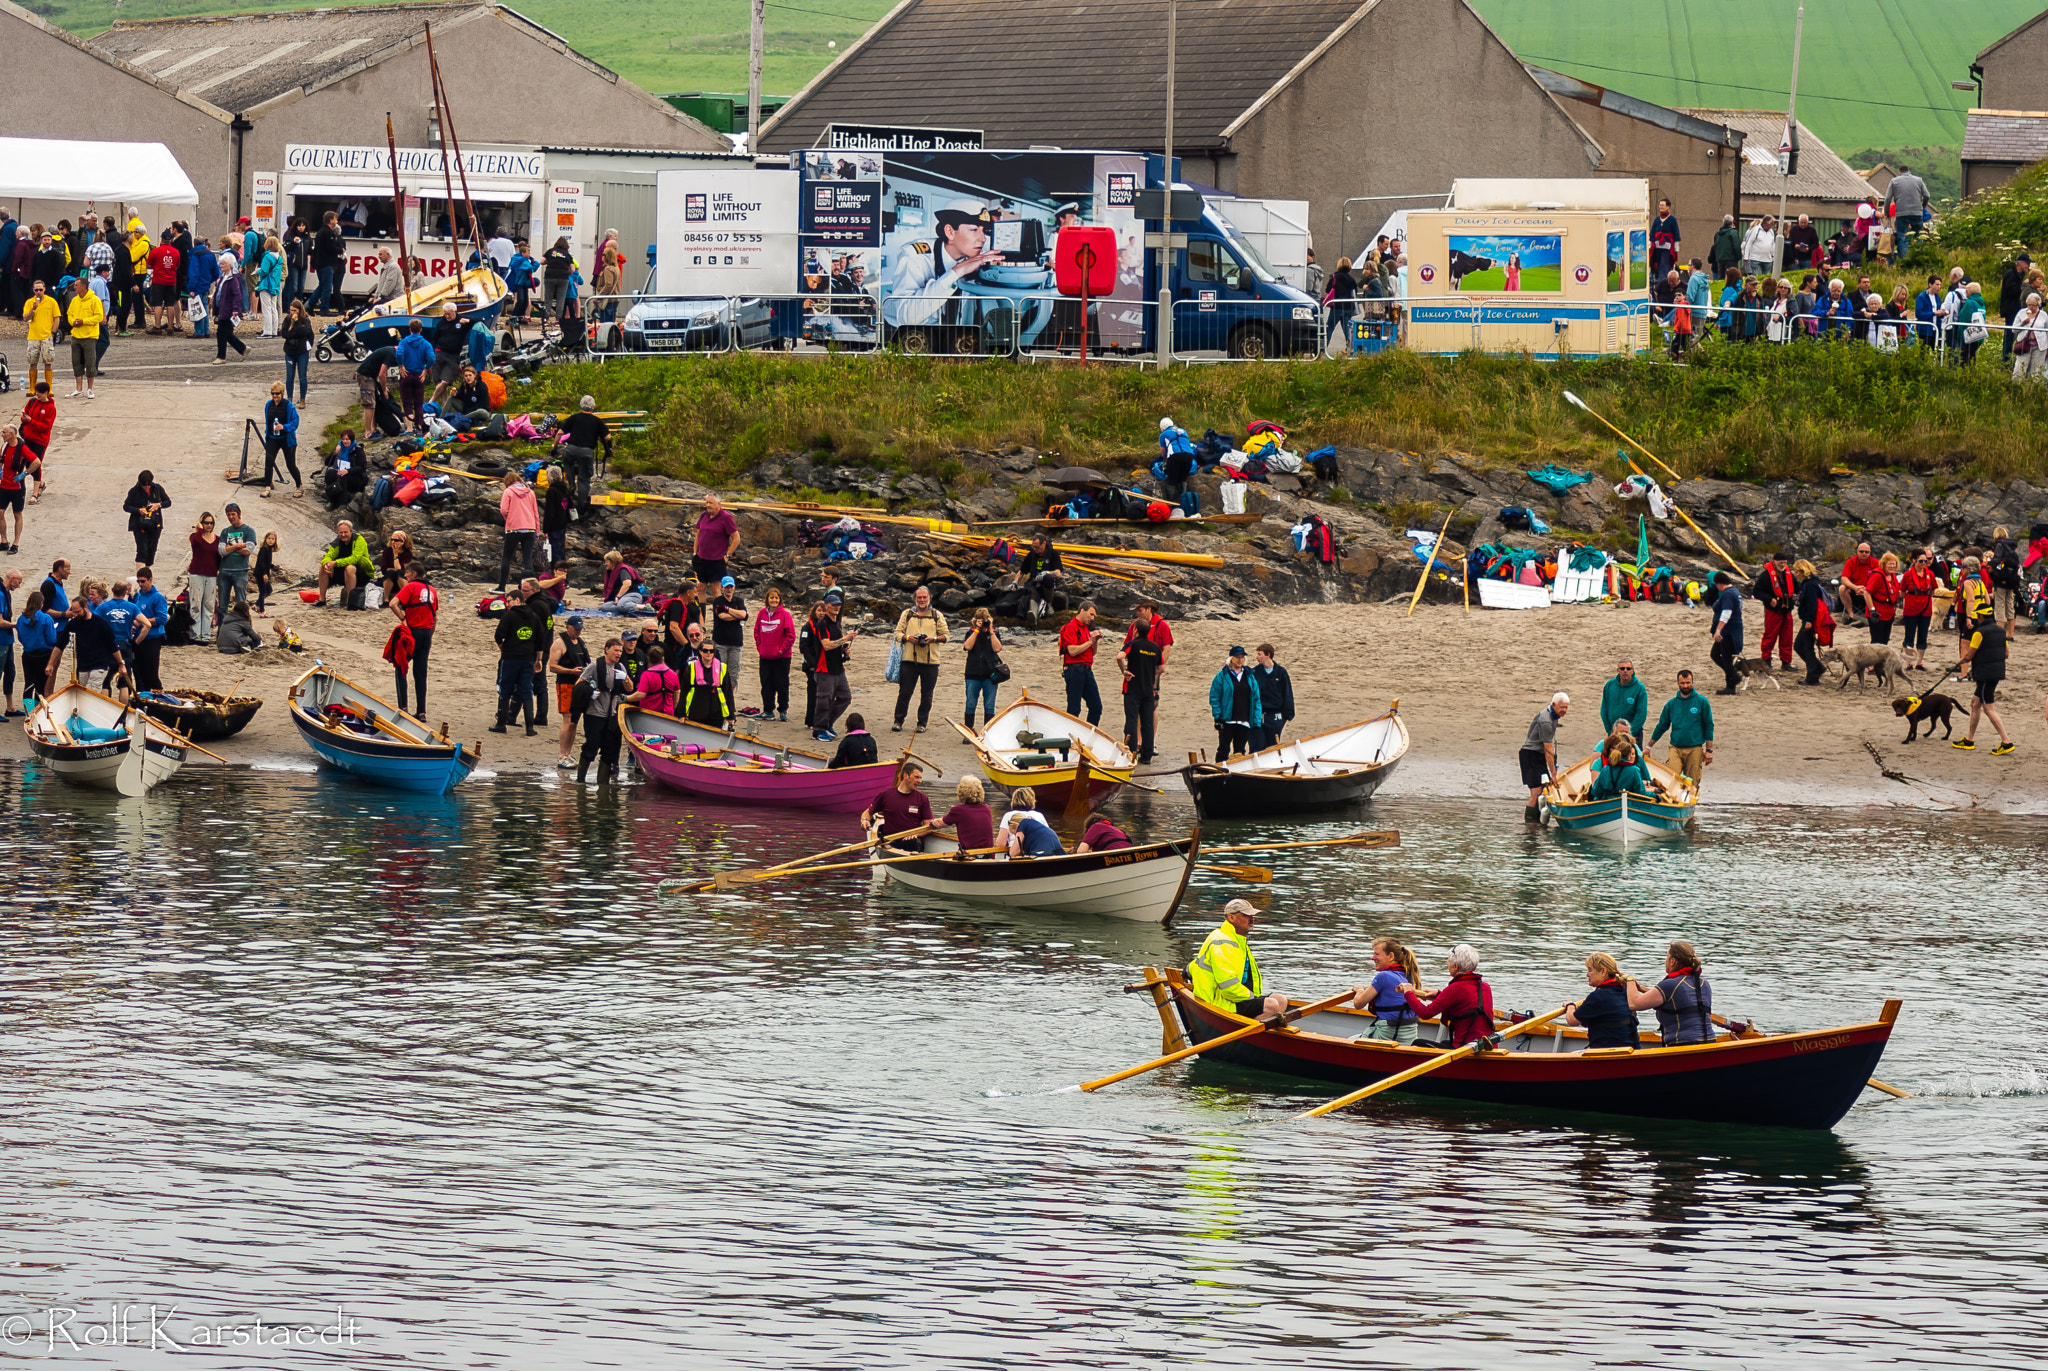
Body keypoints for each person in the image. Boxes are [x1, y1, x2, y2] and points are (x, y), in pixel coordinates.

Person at [1190, 899, 1290, 1019]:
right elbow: (1228, 988)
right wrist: (1253, 999)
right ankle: (1252, 1032)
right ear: (1231, 917)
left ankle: (1260, 1026)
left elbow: (1195, 965)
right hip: (1220, 1002)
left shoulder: (1237, 939)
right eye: (1246, 915)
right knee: (1272, 1005)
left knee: (1281, 1000)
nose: (1252, 919)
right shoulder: (1223, 942)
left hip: (1235, 998)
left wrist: (1187, 971)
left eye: (1252, 915)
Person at [1397, 944, 1494, 1048]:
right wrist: (1439, 995)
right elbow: (1464, 1002)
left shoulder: (1456, 988)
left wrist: (1408, 994)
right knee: (1444, 1043)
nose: (1448, 965)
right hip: (1488, 1046)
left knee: (1417, 1043)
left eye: (1449, 962)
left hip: (1469, 1050)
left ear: (1456, 966)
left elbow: (1425, 1014)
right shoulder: (1485, 986)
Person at [1621, 941, 1715, 1046]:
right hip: (1709, 1041)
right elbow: (1673, 998)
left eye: (1667, 957)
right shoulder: (1704, 983)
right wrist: (1636, 987)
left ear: (1672, 961)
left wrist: (1629, 979)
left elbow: (1634, 1004)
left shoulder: (1670, 985)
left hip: (1684, 1044)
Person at [575, 639, 636, 784]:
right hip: (594, 714)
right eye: (615, 650)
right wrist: (589, 692)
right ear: (606, 649)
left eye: (620, 651)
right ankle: (580, 781)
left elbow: (630, 689)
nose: (618, 653)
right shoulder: (595, 665)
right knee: (591, 746)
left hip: (612, 715)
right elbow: (578, 684)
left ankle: (603, 785)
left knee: (610, 751)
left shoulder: (620, 667)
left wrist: (625, 678)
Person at [47, 586, 128, 695]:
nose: (75, 615)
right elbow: (59, 645)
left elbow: (112, 646)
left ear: (86, 607)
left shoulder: (101, 623)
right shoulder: (72, 624)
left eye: (77, 612)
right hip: (83, 665)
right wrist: (51, 664)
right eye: (73, 612)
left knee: (91, 692)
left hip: (100, 664)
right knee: (82, 692)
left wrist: (121, 664)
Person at [1953, 612, 2015, 753]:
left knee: (1988, 708)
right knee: (1975, 703)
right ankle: (1969, 739)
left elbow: (1969, 655)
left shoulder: (1979, 633)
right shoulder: (2001, 630)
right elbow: (2006, 654)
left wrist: (1960, 661)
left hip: (1985, 674)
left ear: (1981, 617)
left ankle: (2006, 742)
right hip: (1997, 672)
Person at [892, 584, 948, 733]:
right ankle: (898, 721)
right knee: (904, 693)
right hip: (909, 660)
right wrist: (909, 638)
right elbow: (897, 634)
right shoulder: (907, 614)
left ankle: (922, 723)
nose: (922, 600)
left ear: (929, 598)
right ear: (915, 599)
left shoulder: (937, 615)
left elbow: (946, 636)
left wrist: (933, 639)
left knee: (927, 695)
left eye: (924, 597)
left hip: (931, 662)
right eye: (919, 597)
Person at [1348, 937, 1424, 1044]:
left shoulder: (1383, 976)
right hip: (1408, 1037)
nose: (1372, 958)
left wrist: (1359, 990)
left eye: (1377, 954)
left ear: (1391, 956)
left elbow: (1358, 1003)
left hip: (1387, 1035)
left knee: (1351, 1040)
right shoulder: (1409, 976)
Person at [388, 563, 438, 718]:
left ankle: (403, 708)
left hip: (412, 632)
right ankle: (421, 712)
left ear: (415, 574)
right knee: (420, 673)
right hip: (426, 633)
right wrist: (431, 636)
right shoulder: (432, 590)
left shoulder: (410, 587)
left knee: (401, 667)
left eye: (408, 573)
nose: (405, 576)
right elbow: (435, 616)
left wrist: (403, 618)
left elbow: (392, 604)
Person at [804, 592, 856, 741]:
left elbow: (834, 643)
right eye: (833, 605)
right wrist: (846, 638)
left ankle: (827, 724)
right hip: (824, 669)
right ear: (826, 606)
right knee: (824, 700)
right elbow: (826, 645)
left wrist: (843, 649)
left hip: (837, 668)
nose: (836, 607)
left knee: (845, 697)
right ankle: (819, 730)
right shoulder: (823, 624)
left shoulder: (836, 624)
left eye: (838, 605)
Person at [1650, 669, 1715, 785]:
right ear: (1677, 683)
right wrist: (1648, 746)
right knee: (1670, 778)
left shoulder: (1702, 701)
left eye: (1688, 683)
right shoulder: (1671, 704)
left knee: (1692, 784)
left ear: (1693, 682)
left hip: (1695, 748)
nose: (1685, 686)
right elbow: (1661, 726)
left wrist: (1709, 750)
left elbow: (1708, 726)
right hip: (1675, 748)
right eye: (1682, 683)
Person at [1563, 953, 1640, 1050]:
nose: (1587, 974)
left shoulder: (1598, 997)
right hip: (1632, 1050)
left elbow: (1572, 1020)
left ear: (1603, 972)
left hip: (1607, 1054)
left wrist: (1570, 1005)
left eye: (1590, 970)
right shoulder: (1625, 991)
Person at [491, 588, 541, 736]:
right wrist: (538, 659)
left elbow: (498, 636)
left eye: (509, 601)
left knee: (506, 689)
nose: (507, 604)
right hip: (527, 658)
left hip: (511, 658)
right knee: (526, 690)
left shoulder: (509, 616)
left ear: (517, 600)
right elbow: (540, 640)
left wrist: (503, 649)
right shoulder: (534, 616)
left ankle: (501, 724)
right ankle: (530, 728)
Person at [546, 615, 591, 767]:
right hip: (565, 685)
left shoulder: (580, 642)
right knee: (567, 718)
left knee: (574, 721)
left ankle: (568, 754)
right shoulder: (559, 643)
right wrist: (571, 671)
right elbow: (552, 667)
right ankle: (561, 755)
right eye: (576, 629)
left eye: (580, 629)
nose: (578, 632)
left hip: (579, 686)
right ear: (568, 627)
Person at [1519, 690, 1570, 822]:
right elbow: (1548, 750)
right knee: (1536, 792)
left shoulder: (1552, 717)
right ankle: (1531, 825)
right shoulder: (1546, 720)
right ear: (1553, 705)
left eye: (1566, 707)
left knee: (1544, 788)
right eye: (1562, 707)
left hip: (1538, 754)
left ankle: (1536, 822)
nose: (1564, 710)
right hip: (1530, 755)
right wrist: (1553, 773)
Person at [862, 762, 931, 852]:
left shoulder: (922, 798)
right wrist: (864, 820)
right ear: (906, 776)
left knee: (912, 842)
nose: (919, 781)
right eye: (916, 777)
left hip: (912, 843)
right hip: (890, 841)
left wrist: (916, 834)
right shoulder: (885, 795)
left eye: (920, 778)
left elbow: (928, 826)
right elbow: (868, 813)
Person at [1209, 644, 1262, 759]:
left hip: (1244, 721)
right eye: (1237, 657)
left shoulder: (1250, 677)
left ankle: (1237, 774)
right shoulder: (1221, 676)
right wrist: (1217, 717)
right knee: (1223, 749)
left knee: (1240, 751)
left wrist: (1256, 721)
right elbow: (1215, 697)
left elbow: (1256, 699)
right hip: (1227, 721)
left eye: (1242, 657)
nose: (1239, 660)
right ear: (1231, 659)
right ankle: (1219, 773)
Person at [559, 397, 612, 509]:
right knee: (584, 479)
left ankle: (572, 483)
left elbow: (559, 433)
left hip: (571, 449)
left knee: (567, 463)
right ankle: (581, 507)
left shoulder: (574, 418)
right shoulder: (598, 421)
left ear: (581, 405)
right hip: (586, 452)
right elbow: (607, 437)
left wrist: (554, 447)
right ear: (593, 406)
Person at [752, 585, 795, 721]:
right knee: (766, 684)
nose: (774, 600)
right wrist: (761, 648)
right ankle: (768, 710)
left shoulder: (785, 615)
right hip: (765, 656)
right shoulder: (761, 614)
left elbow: (791, 635)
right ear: (767, 599)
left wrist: (781, 650)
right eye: (772, 598)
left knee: (781, 684)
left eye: (776, 598)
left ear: (780, 599)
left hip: (782, 657)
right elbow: (756, 632)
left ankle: (783, 710)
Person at [706, 577, 746, 714]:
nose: (729, 589)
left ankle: (729, 701)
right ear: (722, 588)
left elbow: (744, 614)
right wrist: (737, 615)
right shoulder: (717, 601)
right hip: (720, 643)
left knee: (733, 674)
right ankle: (717, 701)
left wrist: (728, 610)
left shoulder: (739, 601)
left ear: (734, 587)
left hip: (736, 643)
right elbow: (721, 616)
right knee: (719, 673)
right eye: (726, 587)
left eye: (731, 587)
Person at [257, 382, 303, 499]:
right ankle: (267, 487)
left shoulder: (288, 406)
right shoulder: (268, 405)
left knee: (291, 464)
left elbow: (295, 422)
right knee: (269, 461)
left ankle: (299, 486)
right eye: (273, 394)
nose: (275, 396)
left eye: (277, 394)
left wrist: (284, 427)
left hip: (286, 439)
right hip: (273, 438)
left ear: (282, 393)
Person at [1752, 554, 1798, 669]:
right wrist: (1769, 599)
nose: (1783, 565)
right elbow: (1756, 592)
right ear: (1774, 562)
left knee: (1787, 637)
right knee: (1770, 636)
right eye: (1780, 563)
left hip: (1787, 609)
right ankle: (1766, 661)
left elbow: (1798, 588)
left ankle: (1786, 662)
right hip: (1773, 610)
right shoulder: (1766, 575)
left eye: (1784, 563)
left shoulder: (1789, 574)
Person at [961, 608, 1003, 733]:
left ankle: (987, 733)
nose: (983, 623)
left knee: (989, 705)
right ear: (975, 622)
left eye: (984, 621)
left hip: (990, 675)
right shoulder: (971, 633)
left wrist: (990, 631)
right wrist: (977, 630)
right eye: (980, 621)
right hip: (973, 674)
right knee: (970, 703)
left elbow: (997, 648)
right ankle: (968, 732)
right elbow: (967, 646)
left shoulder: (994, 633)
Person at [496, 471, 539, 592]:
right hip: (530, 528)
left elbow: (503, 510)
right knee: (527, 559)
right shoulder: (530, 492)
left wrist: (509, 518)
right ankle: (529, 587)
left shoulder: (508, 492)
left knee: (507, 557)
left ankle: (502, 586)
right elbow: (536, 512)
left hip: (513, 529)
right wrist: (537, 530)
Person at [1793, 559, 1835, 684]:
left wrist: (1808, 621)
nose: (1795, 574)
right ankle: (1817, 668)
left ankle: (1813, 676)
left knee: (1805, 647)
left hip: (1810, 620)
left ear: (1802, 571)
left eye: (1796, 571)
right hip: (1808, 619)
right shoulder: (1809, 583)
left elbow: (1812, 604)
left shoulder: (1810, 585)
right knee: (1801, 646)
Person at [316, 521, 374, 607]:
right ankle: (322, 599)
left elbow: (355, 559)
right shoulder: (337, 541)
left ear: (351, 531)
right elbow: (329, 555)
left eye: (346, 532)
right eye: (341, 532)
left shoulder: (359, 540)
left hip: (362, 572)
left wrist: (336, 563)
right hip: (343, 572)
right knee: (323, 568)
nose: (343, 535)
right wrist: (327, 563)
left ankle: (350, 600)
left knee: (350, 568)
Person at [1898, 548, 1938, 672]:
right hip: (1910, 608)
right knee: (1909, 635)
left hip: (1926, 608)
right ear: (1914, 560)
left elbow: (1933, 590)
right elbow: (1902, 592)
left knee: (1923, 636)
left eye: (1925, 561)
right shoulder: (1908, 575)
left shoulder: (1930, 574)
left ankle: (1919, 662)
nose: (1923, 563)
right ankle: (1909, 661)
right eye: (1921, 561)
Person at [64, 275, 104, 399]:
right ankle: (78, 388)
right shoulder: (75, 300)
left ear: (84, 287)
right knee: (76, 362)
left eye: (76, 285)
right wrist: (72, 322)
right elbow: (69, 314)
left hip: (90, 336)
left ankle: (90, 389)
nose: (74, 287)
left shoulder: (94, 300)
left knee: (90, 362)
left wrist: (84, 321)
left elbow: (99, 317)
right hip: (76, 335)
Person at [122, 470, 170, 570]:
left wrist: (158, 505)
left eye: (149, 484)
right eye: (144, 485)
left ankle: (146, 573)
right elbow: (126, 506)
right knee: (142, 550)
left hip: (154, 524)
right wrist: (138, 510)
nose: (147, 487)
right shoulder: (134, 491)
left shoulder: (157, 488)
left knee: (152, 549)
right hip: (140, 525)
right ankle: (141, 575)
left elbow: (168, 502)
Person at [16, 590, 57, 707]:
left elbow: (21, 637)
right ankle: (37, 711)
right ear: (41, 603)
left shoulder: (20, 619)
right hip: (44, 655)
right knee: (40, 686)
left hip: (28, 655)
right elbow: (51, 639)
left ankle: (28, 712)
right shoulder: (46, 618)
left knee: (29, 684)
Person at [0, 428, 37, 555]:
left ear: (11, 434)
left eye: (4, 432)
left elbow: (36, 462)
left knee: (17, 514)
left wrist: (25, 473)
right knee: (0, 513)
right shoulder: (4, 446)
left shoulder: (22, 448)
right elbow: (1, 458)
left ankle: (16, 543)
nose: (2, 434)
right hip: (4, 486)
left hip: (17, 488)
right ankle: (4, 541)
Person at [185, 512, 221, 644]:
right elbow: (196, 543)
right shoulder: (195, 536)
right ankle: (195, 635)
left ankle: (205, 635)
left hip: (211, 574)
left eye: (211, 523)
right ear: (202, 523)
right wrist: (199, 529)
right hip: (196, 573)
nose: (209, 525)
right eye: (206, 523)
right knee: (196, 604)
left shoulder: (217, 539)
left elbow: (218, 557)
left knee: (209, 605)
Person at [19, 281, 61, 394]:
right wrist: (33, 309)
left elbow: (56, 317)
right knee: (32, 362)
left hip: (46, 336)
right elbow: (26, 318)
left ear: (44, 289)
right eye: (36, 290)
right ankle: (33, 387)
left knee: (48, 361)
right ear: (33, 290)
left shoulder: (51, 302)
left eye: (40, 290)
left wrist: (53, 332)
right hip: (33, 336)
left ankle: (49, 388)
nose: (38, 292)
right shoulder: (29, 302)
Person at [1251, 644, 1294, 749]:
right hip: (1259, 716)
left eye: (1259, 654)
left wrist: (1288, 714)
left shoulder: (1281, 672)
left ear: (1268, 655)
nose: (1257, 657)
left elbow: (1287, 693)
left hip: (1275, 716)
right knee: (1257, 746)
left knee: (1272, 747)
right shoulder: (1254, 673)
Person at [1708, 570, 1744, 694]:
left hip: (1728, 631)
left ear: (1718, 583)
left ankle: (1731, 685)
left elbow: (1726, 613)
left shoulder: (1728, 594)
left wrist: (1718, 630)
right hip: (1732, 629)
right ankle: (1734, 676)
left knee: (1726, 657)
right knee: (1715, 654)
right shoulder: (1735, 592)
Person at [938, 775, 994, 853]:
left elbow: (940, 823)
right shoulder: (986, 808)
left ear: (961, 792)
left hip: (969, 855)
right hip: (988, 854)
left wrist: (932, 822)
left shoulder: (958, 810)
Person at [692, 495, 740, 585]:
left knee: (715, 588)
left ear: (719, 504)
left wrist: (727, 556)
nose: (708, 505)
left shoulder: (726, 518)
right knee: (700, 587)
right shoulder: (703, 515)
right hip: (701, 558)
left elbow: (736, 538)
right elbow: (698, 535)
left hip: (717, 560)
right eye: (707, 502)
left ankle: (717, 600)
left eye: (711, 503)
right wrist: (695, 552)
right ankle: (702, 600)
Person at [1987, 525, 2026, 640]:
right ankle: (2010, 634)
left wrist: (1989, 566)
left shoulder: (2000, 545)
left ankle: (1999, 635)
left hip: (2001, 579)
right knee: (2010, 606)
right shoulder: (2012, 545)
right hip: (2012, 579)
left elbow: (1997, 559)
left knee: (1999, 606)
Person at [1589, 733, 1654, 800]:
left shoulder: (1605, 769)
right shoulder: (1634, 770)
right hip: (1629, 802)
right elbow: (1641, 793)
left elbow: (1596, 792)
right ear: (1628, 754)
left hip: (1607, 803)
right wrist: (1655, 796)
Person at [1598, 659, 1647, 746]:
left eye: (1628, 669)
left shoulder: (1640, 688)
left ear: (1632, 671)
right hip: (1613, 734)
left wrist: (1629, 734)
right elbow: (1604, 710)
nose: (1625, 671)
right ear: (1618, 670)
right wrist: (1610, 732)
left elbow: (1641, 714)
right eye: (1622, 668)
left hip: (1633, 736)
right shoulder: (1609, 685)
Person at [678, 641, 726, 728]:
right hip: (696, 712)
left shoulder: (722, 668)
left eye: (711, 651)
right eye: (705, 650)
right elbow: (684, 692)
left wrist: (731, 716)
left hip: (716, 713)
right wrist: (681, 714)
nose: (708, 653)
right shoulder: (691, 669)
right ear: (700, 651)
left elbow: (728, 692)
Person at [217, 503, 255, 610]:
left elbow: (248, 550)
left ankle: (242, 626)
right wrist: (238, 546)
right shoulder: (225, 531)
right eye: (228, 515)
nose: (230, 517)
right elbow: (221, 551)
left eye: (233, 514)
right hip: (224, 570)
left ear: (239, 514)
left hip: (241, 570)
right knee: (222, 607)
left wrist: (230, 548)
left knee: (241, 606)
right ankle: (222, 627)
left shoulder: (249, 531)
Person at [211, 254, 248, 362]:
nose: (220, 266)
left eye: (223, 264)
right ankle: (242, 349)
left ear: (229, 265)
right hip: (222, 308)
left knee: (221, 333)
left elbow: (237, 295)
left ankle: (221, 356)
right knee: (226, 333)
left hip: (228, 310)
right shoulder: (223, 276)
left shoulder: (233, 279)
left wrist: (235, 310)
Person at [1864, 551, 1902, 646]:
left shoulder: (1893, 576)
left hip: (1889, 613)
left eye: (1893, 564)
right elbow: (1867, 592)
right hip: (1877, 614)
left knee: (1885, 640)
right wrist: (1872, 610)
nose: (1892, 566)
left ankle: (1881, 661)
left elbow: (1896, 593)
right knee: (1877, 641)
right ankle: (1873, 661)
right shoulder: (1877, 576)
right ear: (1884, 564)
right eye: (1889, 564)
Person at [282, 300, 314, 405]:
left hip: (302, 351)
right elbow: (284, 334)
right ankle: (289, 398)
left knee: (302, 376)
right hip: (290, 350)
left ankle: (302, 399)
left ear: (299, 310)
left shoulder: (305, 320)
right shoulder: (287, 319)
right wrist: (295, 333)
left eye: (295, 310)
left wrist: (296, 323)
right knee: (289, 376)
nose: (292, 313)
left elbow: (305, 332)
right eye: (291, 310)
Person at [1649, 199, 1680, 281]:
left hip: (1667, 247)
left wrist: (1676, 248)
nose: (1661, 207)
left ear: (1668, 207)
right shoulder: (1657, 219)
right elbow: (1652, 231)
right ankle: (1656, 279)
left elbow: (1676, 233)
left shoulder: (1672, 219)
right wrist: (1650, 243)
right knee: (1656, 264)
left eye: (1663, 205)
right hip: (1656, 246)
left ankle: (1662, 281)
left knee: (1664, 265)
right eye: (1660, 205)